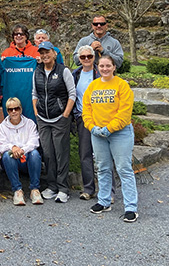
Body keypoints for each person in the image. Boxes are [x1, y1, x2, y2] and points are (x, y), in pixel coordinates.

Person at [83, 55, 138, 222]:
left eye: (108, 66)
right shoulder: (93, 86)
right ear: (97, 68)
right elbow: (86, 110)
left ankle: (131, 207)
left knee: (124, 169)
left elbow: (124, 112)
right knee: (103, 168)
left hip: (120, 133)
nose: (104, 69)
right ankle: (104, 201)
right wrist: (92, 127)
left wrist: (109, 128)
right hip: (98, 133)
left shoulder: (122, 85)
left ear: (114, 67)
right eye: (101, 66)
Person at [32, 40, 76, 203]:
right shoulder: (37, 72)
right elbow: (34, 94)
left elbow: (72, 94)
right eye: (42, 53)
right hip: (43, 119)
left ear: (54, 53)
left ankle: (63, 188)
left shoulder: (63, 71)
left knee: (61, 153)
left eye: (47, 52)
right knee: (48, 154)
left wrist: (65, 114)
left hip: (59, 118)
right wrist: (37, 112)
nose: (44, 55)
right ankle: (51, 186)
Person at [0, 96, 43, 206]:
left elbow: (35, 141)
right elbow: (1, 145)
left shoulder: (30, 123)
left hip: (27, 158)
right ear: (7, 111)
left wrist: (22, 150)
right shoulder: (3, 126)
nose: (13, 112)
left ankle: (34, 190)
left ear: (21, 109)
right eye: (10, 109)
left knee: (35, 154)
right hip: (12, 160)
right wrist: (13, 148)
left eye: (16, 108)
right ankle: (17, 190)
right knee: (7, 156)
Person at [73, 45, 100, 200]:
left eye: (89, 56)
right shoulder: (75, 74)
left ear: (93, 57)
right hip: (83, 118)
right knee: (85, 154)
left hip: (100, 118)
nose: (86, 60)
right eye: (83, 57)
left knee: (104, 155)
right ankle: (88, 188)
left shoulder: (100, 73)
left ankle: (107, 190)